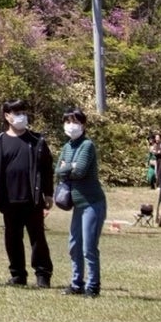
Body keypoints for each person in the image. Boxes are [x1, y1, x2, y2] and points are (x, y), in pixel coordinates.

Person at [0, 98, 54, 288]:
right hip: (9, 200)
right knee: (12, 238)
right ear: (7, 116)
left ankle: (43, 275)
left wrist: (48, 193)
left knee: (38, 238)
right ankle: (17, 275)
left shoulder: (37, 141)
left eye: (23, 112)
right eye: (17, 113)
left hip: (32, 198)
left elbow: (47, 169)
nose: (22, 117)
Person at [55, 108, 106, 297]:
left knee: (89, 247)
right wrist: (70, 167)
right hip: (77, 204)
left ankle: (93, 287)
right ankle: (77, 283)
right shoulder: (67, 146)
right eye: (67, 121)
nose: (71, 126)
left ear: (83, 125)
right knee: (74, 245)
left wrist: (67, 168)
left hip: (92, 202)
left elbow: (81, 171)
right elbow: (57, 171)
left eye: (75, 122)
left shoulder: (87, 145)